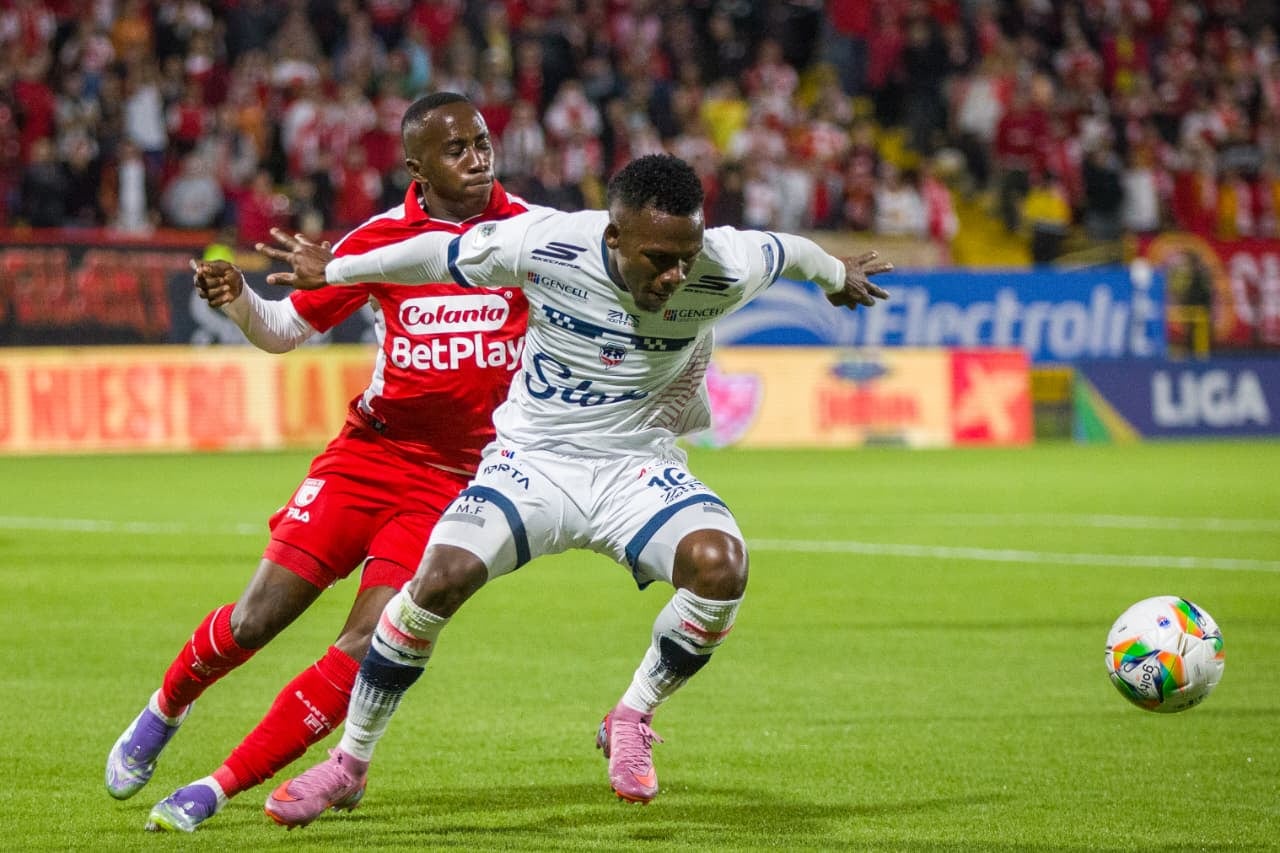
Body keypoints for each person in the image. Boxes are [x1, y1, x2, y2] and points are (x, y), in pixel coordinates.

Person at [254, 153, 891, 825]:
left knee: (721, 566)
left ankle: (632, 714)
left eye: (686, 258)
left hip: (635, 466)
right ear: (613, 237)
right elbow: (435, 254)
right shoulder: (546, 244)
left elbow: (793, 252)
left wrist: (839, 275)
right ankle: (349, 764)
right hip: (532, 462)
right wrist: (338, 270)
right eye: (657, 260)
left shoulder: (727, 264)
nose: (675, 277)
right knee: (437, 581)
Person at [104, 92, 534, 832]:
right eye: (456, 148)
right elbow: (280, 332)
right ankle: (165, 707)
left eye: (482, 142)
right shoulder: (381, 240)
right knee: (254, 620)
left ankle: (217, 786)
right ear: (417, 168)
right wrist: (239, 300)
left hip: (455, 486)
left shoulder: (531, 235)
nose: (477, 158)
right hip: (368, 458)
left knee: (370, 643)